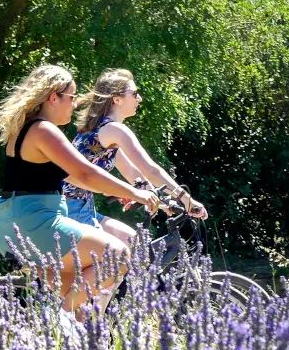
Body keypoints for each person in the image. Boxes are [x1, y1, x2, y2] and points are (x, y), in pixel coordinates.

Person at [0, 65, 160, 318]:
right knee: (119, 255)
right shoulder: (43, 130)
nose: (76, 103)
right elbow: (86, 173)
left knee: (82, 301)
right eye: (72, 97)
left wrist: (120, 189)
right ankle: (55, 324)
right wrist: (137, 194)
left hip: (11, 222)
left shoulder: (24, 129)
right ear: (53, 97)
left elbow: (81, 179)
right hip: (36, 223)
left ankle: (66, 342)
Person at [63, 68, 207, 246]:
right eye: (135, 93)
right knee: (119, 255)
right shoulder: (115, 130)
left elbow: (136, 176)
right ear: (117, 99)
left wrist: (164, 203)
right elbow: (150, 170)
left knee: (136, 243)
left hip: (80, 206)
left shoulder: (102, 130)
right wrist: (187, 200)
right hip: (73, 209)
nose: (140, 99)